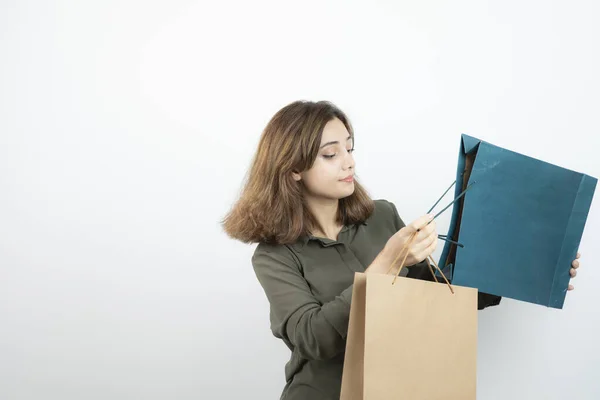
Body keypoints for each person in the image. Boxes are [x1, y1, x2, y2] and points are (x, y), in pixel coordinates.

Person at [221, 100, 582, 400]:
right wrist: (388, 262)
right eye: (330, 154)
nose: (349, 162)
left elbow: (436, 297)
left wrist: (527, 267)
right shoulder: (274, 255)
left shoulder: (382, 215)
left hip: (402, 388)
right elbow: (313, 339)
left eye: (350, 148)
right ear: (294, 168)